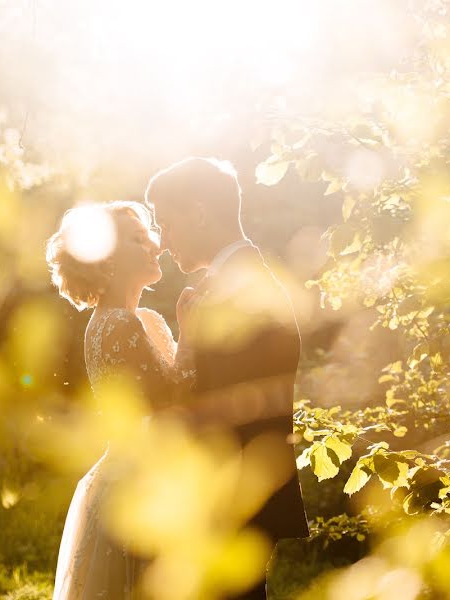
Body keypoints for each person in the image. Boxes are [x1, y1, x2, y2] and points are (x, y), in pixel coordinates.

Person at [145, 157, 309, 600]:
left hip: (236, 498)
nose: (161, 242)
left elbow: (240, 406)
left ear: (199, 213)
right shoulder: (226, 284)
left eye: (166, 223)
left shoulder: (245, 287)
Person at [45, 200, 192, 600]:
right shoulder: (119, 323)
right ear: (105, 257)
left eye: (150, 236)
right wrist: (195, 333)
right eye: (137, 238)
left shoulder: (141, 319)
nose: (155, 245)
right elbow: (172, 400)